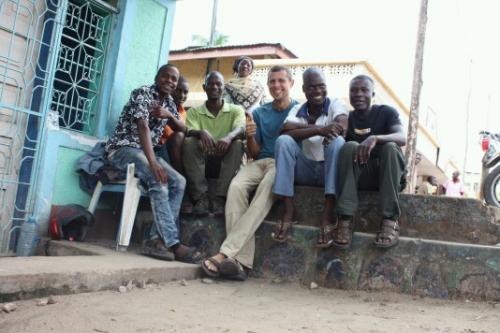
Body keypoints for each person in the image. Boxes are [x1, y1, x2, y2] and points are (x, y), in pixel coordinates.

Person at [201, 65, 298, 280]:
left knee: (264, 191)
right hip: (260, 162)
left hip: (281, 164)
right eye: (272, 81)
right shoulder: (260, 112)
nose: (276, 85)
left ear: (291, 83)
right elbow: (254, 153)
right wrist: (251, 136)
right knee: (235, 188)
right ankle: (240, 263)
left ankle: (225, 254)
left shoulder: (298, 110)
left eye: (281, 80)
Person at [105, 64, 201, 263]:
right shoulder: (143, 93)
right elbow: (143, 127)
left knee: (179, 181)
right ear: (157, 77)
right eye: (165, 76)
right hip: (123, 149)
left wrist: (169, 115)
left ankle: (155, 239)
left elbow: (183, 128)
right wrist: (153, 162)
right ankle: (173, 243)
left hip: (145, 154)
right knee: (157, 178)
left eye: (174, 79)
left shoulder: (169, 104)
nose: (170, 81)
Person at [271, 67, 348, 246]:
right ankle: (289, 209)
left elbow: (343, 124)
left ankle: (328, 211)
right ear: (304, 89)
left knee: (337, 142)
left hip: (329, 171)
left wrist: (334, 130)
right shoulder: (298, 109)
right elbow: (285, 129)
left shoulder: (335, 104)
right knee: (283, 141)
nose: (318, 91)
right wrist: (320, 130)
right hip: (306, 170)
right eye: (312, 87)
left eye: (321, 86)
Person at [334, 74, 407, 249]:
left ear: (373, 94)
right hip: (361, 177)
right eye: (354, 90)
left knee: (390, 147)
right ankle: (345, 219)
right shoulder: (347, 119)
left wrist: (375, 138)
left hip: (387, 175)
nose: (358, 94)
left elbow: (401, 137)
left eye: (364, 90)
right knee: (349, 145)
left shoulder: (387, 112)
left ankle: (390, 220)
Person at [183, 71, 245, 216]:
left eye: (219, 84)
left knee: (237, 143)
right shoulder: (194, 112)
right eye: (210, 84)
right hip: (203, 162)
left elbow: (241, 128)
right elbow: (189, 130)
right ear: (204, 88)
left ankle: (219, 197)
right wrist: (200, 132)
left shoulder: (236, 110)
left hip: (225, 162)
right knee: (189, 141)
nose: (215, 87)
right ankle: (201, 198)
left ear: (224, 88)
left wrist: (229, 137)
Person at [158, 75, 189, 174]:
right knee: (178, 136)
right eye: (178, 90)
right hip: (160, 151)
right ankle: (181, 176)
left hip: (177, 153)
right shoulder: (161, 107)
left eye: (185, 92)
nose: (182, 95)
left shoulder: (183, 112)